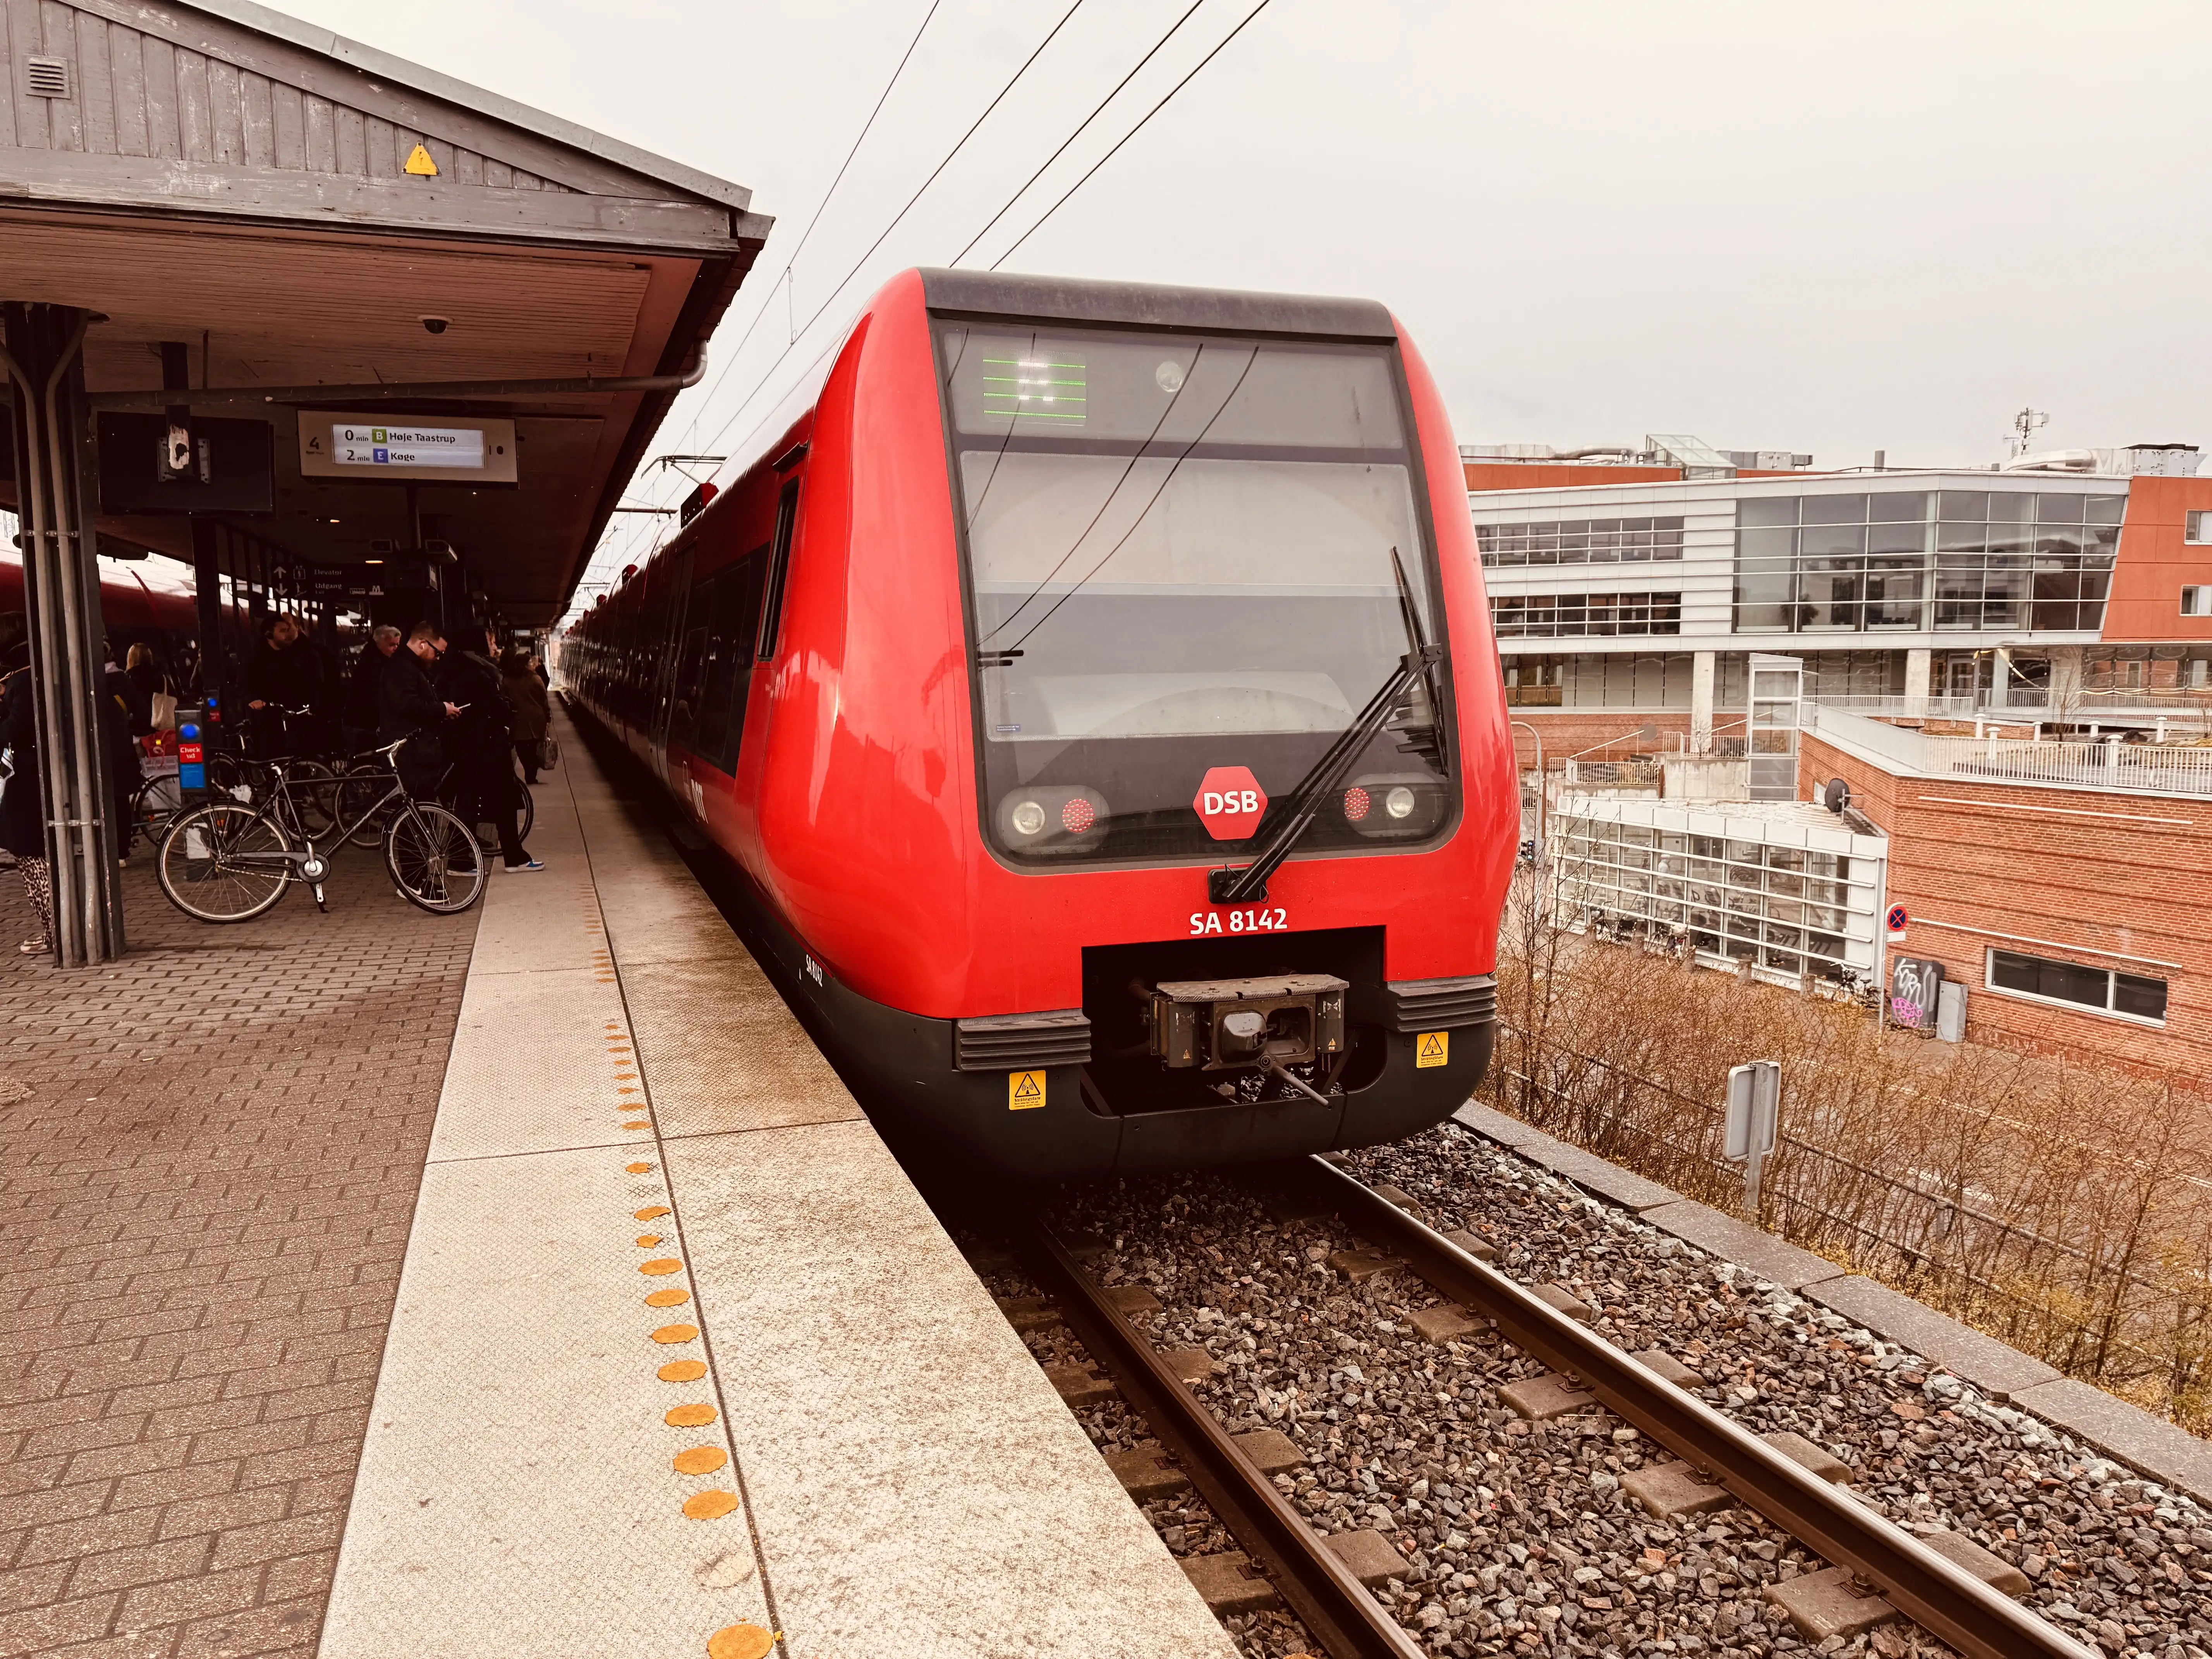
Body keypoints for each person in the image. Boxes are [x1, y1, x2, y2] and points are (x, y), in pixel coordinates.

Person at [442, 626, 541, 872]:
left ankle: (510, 856)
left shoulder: (459, 668)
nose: (494, 643)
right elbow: (492, 706)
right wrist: (506, 709)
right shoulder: (475, 672)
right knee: (480, 802)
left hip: (473, 746)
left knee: (488, 801)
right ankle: (463, 859)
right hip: (483, 747)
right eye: (490, 639)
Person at [0, 644, 53, 954]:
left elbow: (11, 731)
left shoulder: (23, 687)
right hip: (31, 781)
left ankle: (55, 931)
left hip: (28, 784)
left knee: (33, 861)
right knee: (32, 859)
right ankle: (53, 930)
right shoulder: (33, 684)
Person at [378, 622, 459, 801]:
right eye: (438, 652)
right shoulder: (402, 667)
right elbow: (408, 705)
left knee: (421, 812)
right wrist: (442, 709)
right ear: (423, 644)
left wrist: (443, 707)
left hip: (417, 753)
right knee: (418, 812)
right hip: (411, 756)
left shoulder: (410, 666)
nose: (438, 658)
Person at [244, 613, 326, 755]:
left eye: (288, 630)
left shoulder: (294, 656)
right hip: (268, 722)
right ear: (269, 634)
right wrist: (255, 700)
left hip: (293, 720)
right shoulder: (257, 660)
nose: (287, 635)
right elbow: (247, 686)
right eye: (283, 631)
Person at [344, 625, 402, 757]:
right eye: (392, 645)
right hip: (366, 723)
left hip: (365, 721)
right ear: (379, 644)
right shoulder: (373, 666)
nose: (396, 649)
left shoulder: (377, 661)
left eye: (397, 645)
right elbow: (371, 696)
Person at [501, 647, 552, 785]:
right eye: (529, 663)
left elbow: (504, 699)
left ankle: (528, 770)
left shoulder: (507, 681)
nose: (532, 665)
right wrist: (548, 716)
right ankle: (532, 774)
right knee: (535, 748)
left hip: (518, 720)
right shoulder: (536, 679)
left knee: (522, 749)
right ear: (525, 665)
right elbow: (544, 699)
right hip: (537, 719)